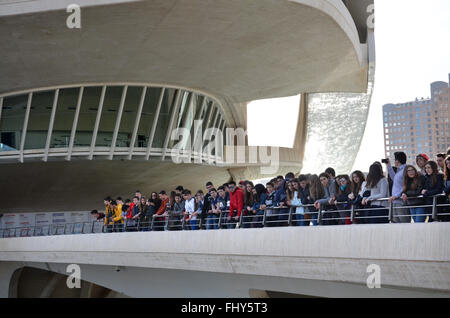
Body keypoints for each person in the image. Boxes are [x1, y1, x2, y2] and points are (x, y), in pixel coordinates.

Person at [386, 152, 409, 223]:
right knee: (396, 223)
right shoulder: (399, 170)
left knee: (404, 223)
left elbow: (406, 185)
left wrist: (396, 195)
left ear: (397, 160)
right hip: (395, 201)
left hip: (401, 201)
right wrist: (388, 166)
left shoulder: (406, 169)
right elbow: (394, 178)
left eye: (395, 159)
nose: (394, 162)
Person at [442, 155, 450, 222]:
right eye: (447, 163)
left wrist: (446, 190)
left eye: (449, 163)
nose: (448, 165)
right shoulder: (446, 176)